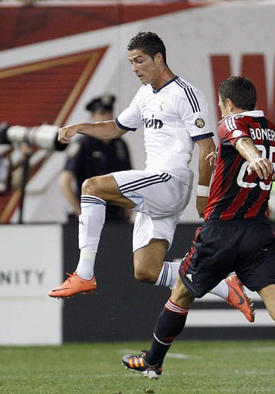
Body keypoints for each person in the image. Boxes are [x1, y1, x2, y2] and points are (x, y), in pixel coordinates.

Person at [122, 76, 275, 389]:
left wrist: (249, 155)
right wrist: (240, 159)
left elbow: (239, 139)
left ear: (227, 102)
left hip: (221, 231)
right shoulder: (271, 128)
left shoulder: (229, 123)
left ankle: (153, 361)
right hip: (258, 233)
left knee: (181, 294)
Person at [48, 32, 254, 323]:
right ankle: (225, 287)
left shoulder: (186, 93)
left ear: (159, 58)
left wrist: (203, 194)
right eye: (132, 62)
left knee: (91, 187)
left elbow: (208, 146)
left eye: (140, 60)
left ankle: (84, 272)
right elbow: (116, 128)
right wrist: (79, 127)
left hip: (171, 180)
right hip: (154, 188)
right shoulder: (145, 94)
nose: (135, 68)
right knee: (147, 271)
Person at [59, 94, 132, 222]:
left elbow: (130, 178)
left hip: (116, 216)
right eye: (102, 113)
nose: (107, 117)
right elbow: (64, 181)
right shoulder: (82, 144)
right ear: (93, 117)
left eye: (109, 113)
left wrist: (129, 207)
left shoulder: (120, 144)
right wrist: (80, 212)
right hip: (90, 213)